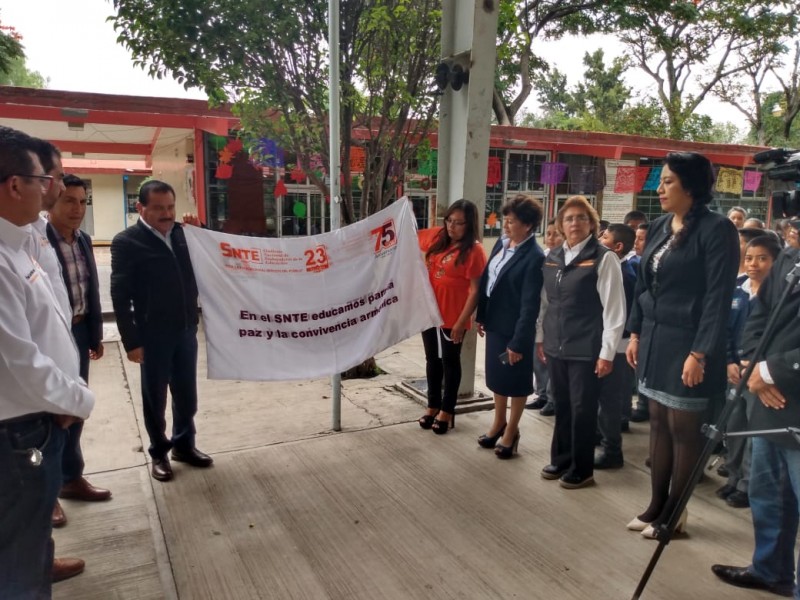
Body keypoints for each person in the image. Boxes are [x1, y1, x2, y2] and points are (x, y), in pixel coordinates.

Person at [0, 126, 95, 598]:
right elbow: (19, 358)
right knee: (18, 550)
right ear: (16, 185)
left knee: (30, 535)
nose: (51, 188)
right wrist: (77, 397)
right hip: (21, 427)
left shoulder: (22, 239)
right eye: (44, 178)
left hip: (41, 413)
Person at [626, 152, 739, 538]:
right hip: (656, 338)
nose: (659, 188)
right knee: (657, 423)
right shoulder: (658, 226)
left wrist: (700, 352)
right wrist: (636, 332)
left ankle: (674, 514)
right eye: (660, 180)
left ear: (690, 187)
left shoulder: (716, 229)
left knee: (683, 431)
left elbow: (717, 297)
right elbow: (643, 285)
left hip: (689, 345)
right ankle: (656, 505)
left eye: (668, 181)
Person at [710, 241, 800, 598]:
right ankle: (771, 571)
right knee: (768, 495)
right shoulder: (791, 257)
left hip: (792, 396)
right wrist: (755, 368)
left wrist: (773, 370)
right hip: (770, 402)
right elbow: (758, 314)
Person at [111, 179, 212, 482]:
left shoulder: (184, 234)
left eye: (170, 207)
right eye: (158, 208)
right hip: (152, 335)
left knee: (187, 396)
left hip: (185, 330)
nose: (167, 214)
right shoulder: (127, 242)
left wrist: (201, 229)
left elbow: (212, 259)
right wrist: (131, 342)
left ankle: (184, 445)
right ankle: (159, 453)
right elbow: (120, 295)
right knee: (155, 399)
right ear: (140, 207)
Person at [537, 196, 625, 488]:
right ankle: (561, 459)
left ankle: (582, 468)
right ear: (561, 225)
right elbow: (546, 303)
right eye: (569, 218)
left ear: (592, 224)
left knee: (583, 409)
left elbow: (614, 310)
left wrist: (607, 353)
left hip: (587, 349)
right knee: (561, 404)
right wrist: (541, 338)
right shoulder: (552, 257)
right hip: (556, 345)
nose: (575, 223)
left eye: (581, 218)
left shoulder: (603, 257)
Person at [46, 174, 112, 509]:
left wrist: (95, 334)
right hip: (51, 336)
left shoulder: (83, 239)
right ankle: (48, 491)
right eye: (69, 201)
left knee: (74, 407)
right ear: (53, 203)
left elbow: (92, 290)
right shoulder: (39, 241)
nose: (76, 208)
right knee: (49, 412)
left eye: (82, 201)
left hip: (80, 330)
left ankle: (71, 477)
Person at [476, 195, 544, 459]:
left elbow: (530, 305)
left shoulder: (534, 256)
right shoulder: (502, 245)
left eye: (511, 221)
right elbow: (488, 282)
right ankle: (498, 423)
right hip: (495, 324)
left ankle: (511, 431)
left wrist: (518, 342)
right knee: (497, 379)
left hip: (516, 330)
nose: (505, 225)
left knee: (516, 382)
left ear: (527, 225)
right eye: (505, 219)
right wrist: (482, 315)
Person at [718, 235, 781, 509]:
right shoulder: (737, 290)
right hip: (734, 372)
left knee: (754, 434)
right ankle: (733, 476)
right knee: (733, 426)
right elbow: (727, 332)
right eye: (750, 258)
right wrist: (730, 362)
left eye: (763, 258)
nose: (754, 264)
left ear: (777, 262)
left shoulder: (779, 296)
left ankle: (747, 484)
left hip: (759, 377)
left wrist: (755, 368)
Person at [417, 199, 487, 434]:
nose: (452, 226)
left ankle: (447, 410)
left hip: (453, 317)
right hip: (429, 313)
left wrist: (461, 322)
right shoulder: (438, 238)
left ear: (469, 225)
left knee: (450, 362)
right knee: (431, 361)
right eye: (449, 220)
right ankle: (432, 405)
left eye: (458, 223)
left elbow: (476, 291)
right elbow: (412, 236)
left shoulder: (474, 251)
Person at [595, 223, 637, 469]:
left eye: (605, 236)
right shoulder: (612, 268)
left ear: (618, 247)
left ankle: (612, 449)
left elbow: (623, 314)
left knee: (610, 399)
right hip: (607, 342)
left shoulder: (626, 274)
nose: (600, 238)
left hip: (618, 346)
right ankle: (601, 437)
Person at [529, 218, 562, 415]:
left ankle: (552, 399)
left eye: (555, 234)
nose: (550, 238)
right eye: (548, 233)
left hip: (555, 314)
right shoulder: (544, 256)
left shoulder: (564, 259)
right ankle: (541, 394)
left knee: (551, 358)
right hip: (540, 312)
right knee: (538, 356)